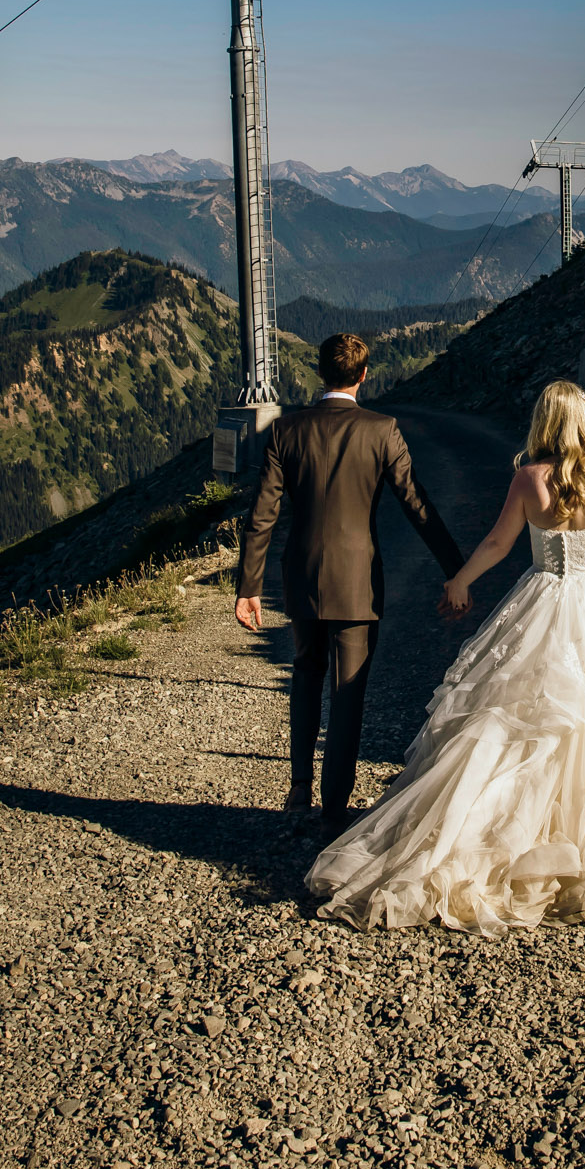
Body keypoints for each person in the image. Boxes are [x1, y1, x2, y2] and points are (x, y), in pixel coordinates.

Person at [306, 379, 585, 934]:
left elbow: (497, 543)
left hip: (542, 599)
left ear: (544, 423)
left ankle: (515, 835)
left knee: (523, 724)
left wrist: (459, 582)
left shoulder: (528, 479)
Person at [236, 331, 464, 836]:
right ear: (363, 376)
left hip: (300, 578)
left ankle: (299, 787)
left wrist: (248, 585)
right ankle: (335, 809)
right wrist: (457, 569)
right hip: (358, 585)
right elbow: (416, 504)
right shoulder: (383, 431)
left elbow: (262, 514)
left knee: (305, 672)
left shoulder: (285, 431)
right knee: (348, 693)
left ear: (321, 373)